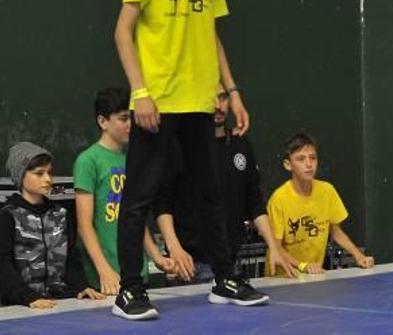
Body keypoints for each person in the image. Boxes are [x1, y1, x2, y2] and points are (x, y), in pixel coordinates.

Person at [113, 0, 267, 320]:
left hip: (200, 101)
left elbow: (211, 36)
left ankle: (224, 278)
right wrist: (139, 92)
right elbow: (123, 31)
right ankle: (129, 290)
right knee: (140, 196)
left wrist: (231, 91)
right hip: (157, 103)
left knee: (212, 194)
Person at [155, 86, 298, 283]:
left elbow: (255, 203)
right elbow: (163, 203)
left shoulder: (241, 145)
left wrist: (274, 246)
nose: (216, 105)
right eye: (210, 98)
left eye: (222, 98)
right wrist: (174, 248)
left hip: (231, 264)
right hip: (189, 265)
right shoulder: (179, 146)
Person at [74, 87, 176, 296]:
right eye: (123, 119)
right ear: (103, 122)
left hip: (136, 274)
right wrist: (104, 270)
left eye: (132, 118)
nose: (131, 125)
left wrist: (156, 257)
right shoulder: (88, 161)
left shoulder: (134, 159)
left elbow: (135, 216)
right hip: (106, 278)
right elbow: (84, 225)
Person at [0, 142, 104, 308]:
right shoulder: (8, 215)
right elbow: (3, 265)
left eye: (49, 172)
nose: (48, 179)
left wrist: (81, 286)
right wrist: (28, 298)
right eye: (39, 173)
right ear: (21, 176)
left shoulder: (60, 214)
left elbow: (70, 259)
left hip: (61, 303)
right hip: (20, 305)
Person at [267, 133, 374, 275]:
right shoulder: (279, 199)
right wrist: (303, 266)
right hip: (283, 279)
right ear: (288, 165)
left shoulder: (327, 191)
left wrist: (358, 256)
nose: (309, 164)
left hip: (314, 276)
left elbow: (336, 232)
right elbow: (275, 246)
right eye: (301, 159)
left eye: (313, 158)